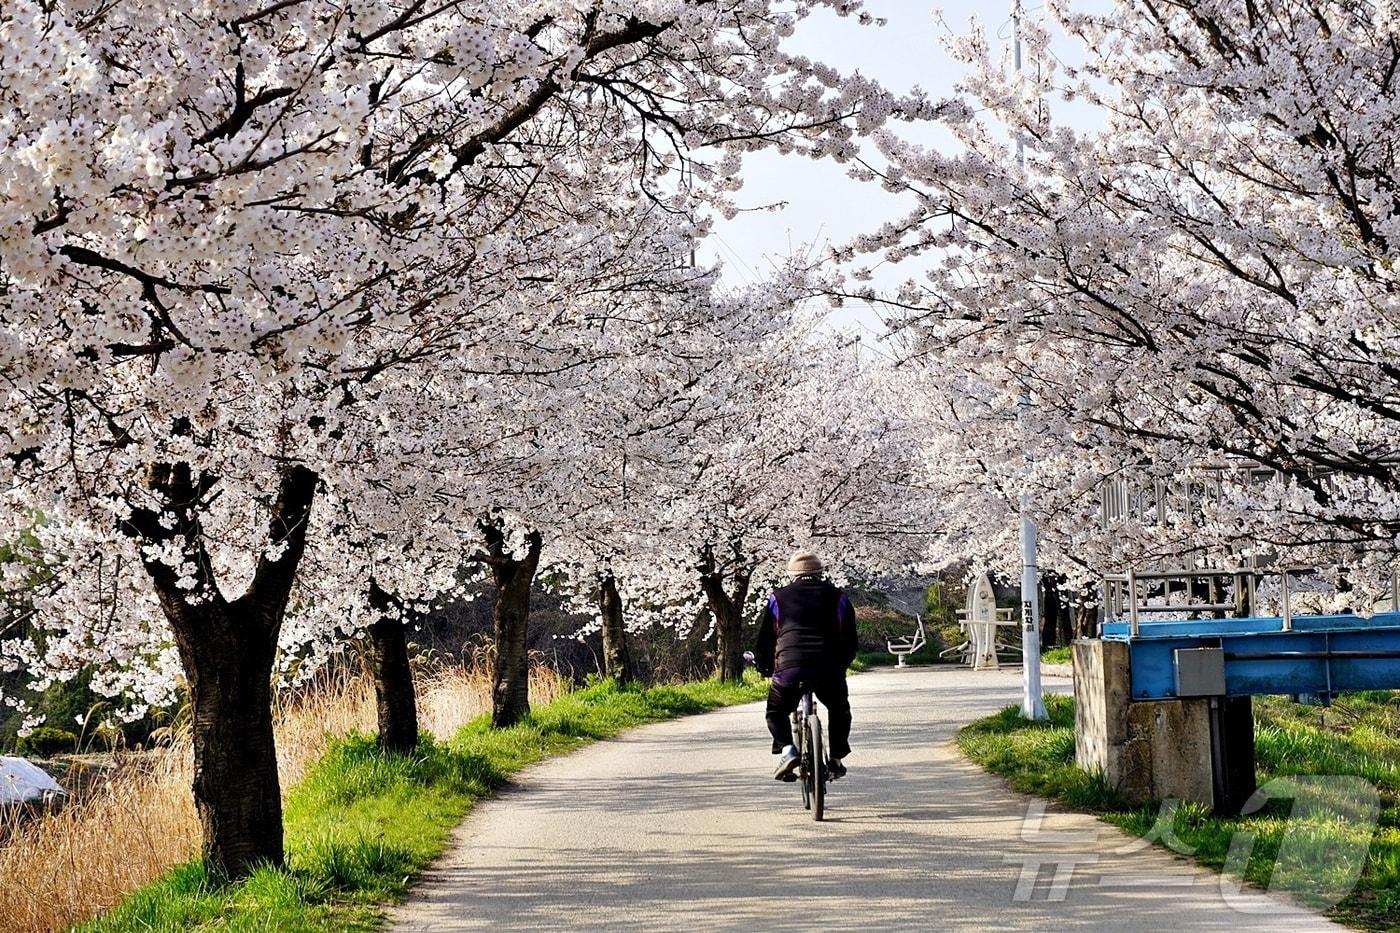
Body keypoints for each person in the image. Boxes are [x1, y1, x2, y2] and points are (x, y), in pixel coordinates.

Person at [752, 549, 857, 782]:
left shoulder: (777, 598)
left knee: (776, 711)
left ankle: (788, 750)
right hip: (828, 667)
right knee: (839, 710)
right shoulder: (838, 597)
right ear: (821, 573)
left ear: (792, 575)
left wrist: (765, 666)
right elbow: (850, 639)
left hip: (790, 667)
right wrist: (842, 665)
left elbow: (767, 638)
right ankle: (836, 759)